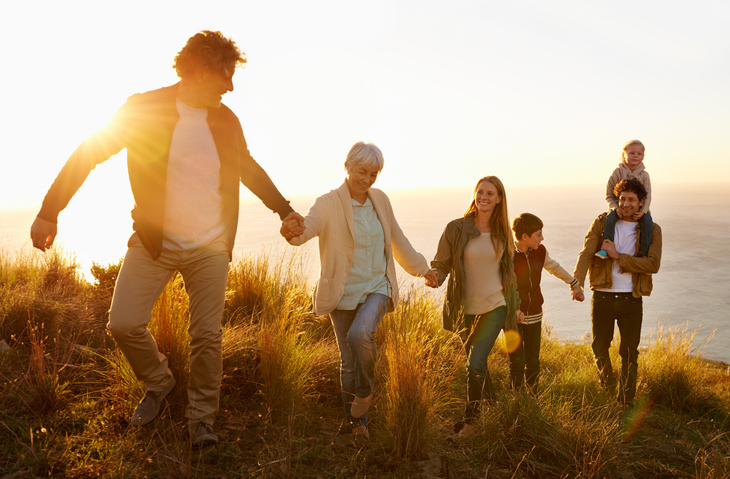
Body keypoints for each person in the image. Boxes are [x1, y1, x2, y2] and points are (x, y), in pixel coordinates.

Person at [30, 31, 305, 446]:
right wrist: (49, 211)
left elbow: (246, 167)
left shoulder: (226, 120)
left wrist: (284, 210)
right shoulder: (144, 109)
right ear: (197, 70)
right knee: (122, 323)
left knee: (207, 336)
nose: (231, 87)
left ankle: (201, 419)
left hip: (210, 246)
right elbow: (88, 153)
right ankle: (159, 382)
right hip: (154, 240)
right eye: (225, 76)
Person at [280, 141, 434, 441]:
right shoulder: (328, 203)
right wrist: (292, 231)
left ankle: (364, 394)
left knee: (359, 335)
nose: (368, 179)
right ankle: (357, 422)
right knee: (348, 361)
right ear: (348, 167)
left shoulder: (380, 200)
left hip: (378, 287)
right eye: (363, 171)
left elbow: (397, 239)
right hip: (342, 292)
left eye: (374, 173)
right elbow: (307, 228)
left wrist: (422, 269)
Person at [426, 176, 525, 436]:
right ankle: (494, 412)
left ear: (499, 199)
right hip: (463, 309)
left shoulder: (504, 233)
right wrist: (435, 277)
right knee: (478, 365)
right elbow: (442, 263)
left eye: (490, 193)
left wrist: (514, 307)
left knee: (474, 364)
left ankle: (471, 424)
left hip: (495, 306)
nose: (483, 197)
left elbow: (510, 275)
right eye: (480, 192)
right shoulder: (456, 229)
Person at [573, 179, 661, 410]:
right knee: (599, 347)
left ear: (641, 202)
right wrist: (576, 283)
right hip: (602, 295)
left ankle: (626, 400)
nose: (626, 203)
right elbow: (586, 253)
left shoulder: (653, 229)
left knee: (630, 352)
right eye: (622, 199)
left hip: (631, 298)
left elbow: (652, 265)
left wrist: (617, 256)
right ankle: (608, 387)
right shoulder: (602, 223)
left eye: (632, 199)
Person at [511, 213, 584, 390]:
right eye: (538, 234)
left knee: (533, 361)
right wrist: (514, 309)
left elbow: (554, 268)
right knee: (517, 361)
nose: (542, 238)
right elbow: (502, 284)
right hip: (513, 316)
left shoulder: (540, 251)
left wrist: (574, 283)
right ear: (524, 237)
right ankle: (517, 399)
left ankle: (533, 398)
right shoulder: (507, 255)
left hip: (535, 312)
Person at [595, 140, 653, 259]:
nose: (635, 156)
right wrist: (615, 208)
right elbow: (609, 195)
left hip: (640, 209)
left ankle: (643, 253)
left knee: (648, 222)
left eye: (639, 153)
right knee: (609, 219)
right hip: (619, 208)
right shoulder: (617, 173)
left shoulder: (645, 175)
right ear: (623, 155)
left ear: (643, 156)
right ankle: (606, 249)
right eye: (632, 153)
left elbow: (647, 196)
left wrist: (643, 211)